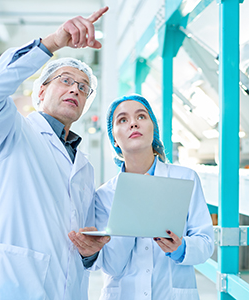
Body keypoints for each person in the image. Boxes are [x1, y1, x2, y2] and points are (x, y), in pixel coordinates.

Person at [0, 7, 110, 300]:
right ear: (41, 92)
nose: (75, 90)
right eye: (66, 80)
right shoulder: (10, 132)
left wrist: (89, 253)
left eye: (83, 88)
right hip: (17, 287)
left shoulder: (83, 166)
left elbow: (78, 241)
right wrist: (53, 43)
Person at [72, 94, 214, 300]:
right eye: (122, 120)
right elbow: (112, 265)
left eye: (141, 116)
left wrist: (181, 248)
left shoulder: (185, 178)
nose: (133, 124)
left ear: (153, 129)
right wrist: (132, 205)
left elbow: (206, 243)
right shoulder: (104, 195)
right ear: (114, 139)